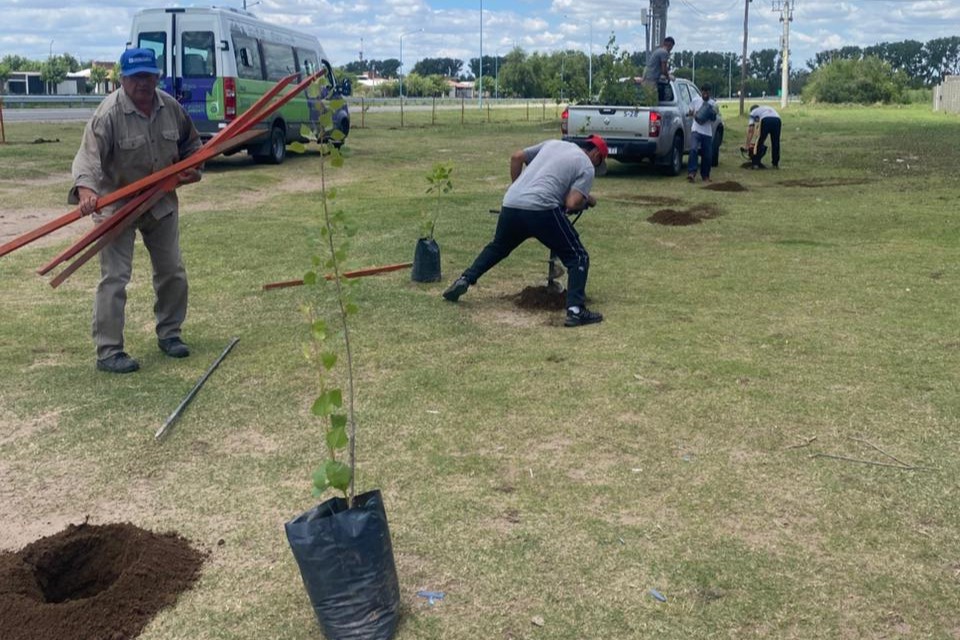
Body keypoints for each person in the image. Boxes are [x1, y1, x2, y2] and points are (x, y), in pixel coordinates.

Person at [70, 48, 203, 373]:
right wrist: (86, 190)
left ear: (157, 77)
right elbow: (87, 158)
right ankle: (109, 351)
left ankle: (170, 334)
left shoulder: (170, 107)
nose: (142, 83)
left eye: (148, 76)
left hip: (160, 200)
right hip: (117, 203)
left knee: (172, 270)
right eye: (135, 77)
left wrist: (192, 168)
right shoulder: (108, 114)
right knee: (115, 277)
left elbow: (193, 146)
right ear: (123, 79)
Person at [442, 135, 608, 327]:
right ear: (596, 154)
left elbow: (517, 157)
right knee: (578, 257)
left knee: (498, 247)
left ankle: (465, 279)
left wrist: (517, 187)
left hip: (512, 202)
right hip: (542, 209)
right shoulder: (586, 166)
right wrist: (587, 200)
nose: (595, 166)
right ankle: (576, 311)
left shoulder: (553, 144)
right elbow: (572, 202)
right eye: (598, 162)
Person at [687, 83, 717, 183]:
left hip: (707, 132)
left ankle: (705, 175)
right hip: (696, 130)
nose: (705, 94)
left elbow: (714, 119)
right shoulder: (696, 101)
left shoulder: (713, 104)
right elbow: (690, 111)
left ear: (710, 93)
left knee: (707, 155)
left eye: (707, 92)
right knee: (693, 149)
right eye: (704, 91)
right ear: (701, 92)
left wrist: (711, 114)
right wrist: (693, 114)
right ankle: (691, 173)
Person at [744, 104, 782, 169]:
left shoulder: (753, 112)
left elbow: (750, 130)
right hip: (777, 120)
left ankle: (756, 163)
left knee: (760, 142)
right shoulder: (765, 108)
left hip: (766, 120)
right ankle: (775, 164)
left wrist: (747, 145)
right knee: (775, 142)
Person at [643, 37, 675, 101]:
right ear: (670, 45)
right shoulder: (664, 53)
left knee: (647, 100)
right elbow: (664, 70)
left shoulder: (657, 51)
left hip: (647, 78)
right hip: (652, 81)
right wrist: (669, 77)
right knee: (652, 101)